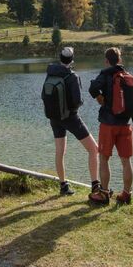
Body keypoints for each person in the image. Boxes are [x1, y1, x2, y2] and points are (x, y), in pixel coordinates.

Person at [44, 46, 101, 196]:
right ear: (72, 60)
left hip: (54, 117)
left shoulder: (51, 72)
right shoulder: (72, 76)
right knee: (94, 149)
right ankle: (95, 185)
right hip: (70, 118)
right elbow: (77, 101)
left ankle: (63, 185)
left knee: (60, 151)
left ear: (60, 58)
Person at [88, 47, 133, 205]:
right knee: (126, 161)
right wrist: (128, 107)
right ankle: (126, 194)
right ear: (120, 59)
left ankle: (103, 194)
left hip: (108, 123)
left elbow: (92, 88)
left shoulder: (106, 74)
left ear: (107, 61)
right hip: (126, 123)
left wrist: (100, 97)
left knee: (104, 158)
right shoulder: (129, 75)